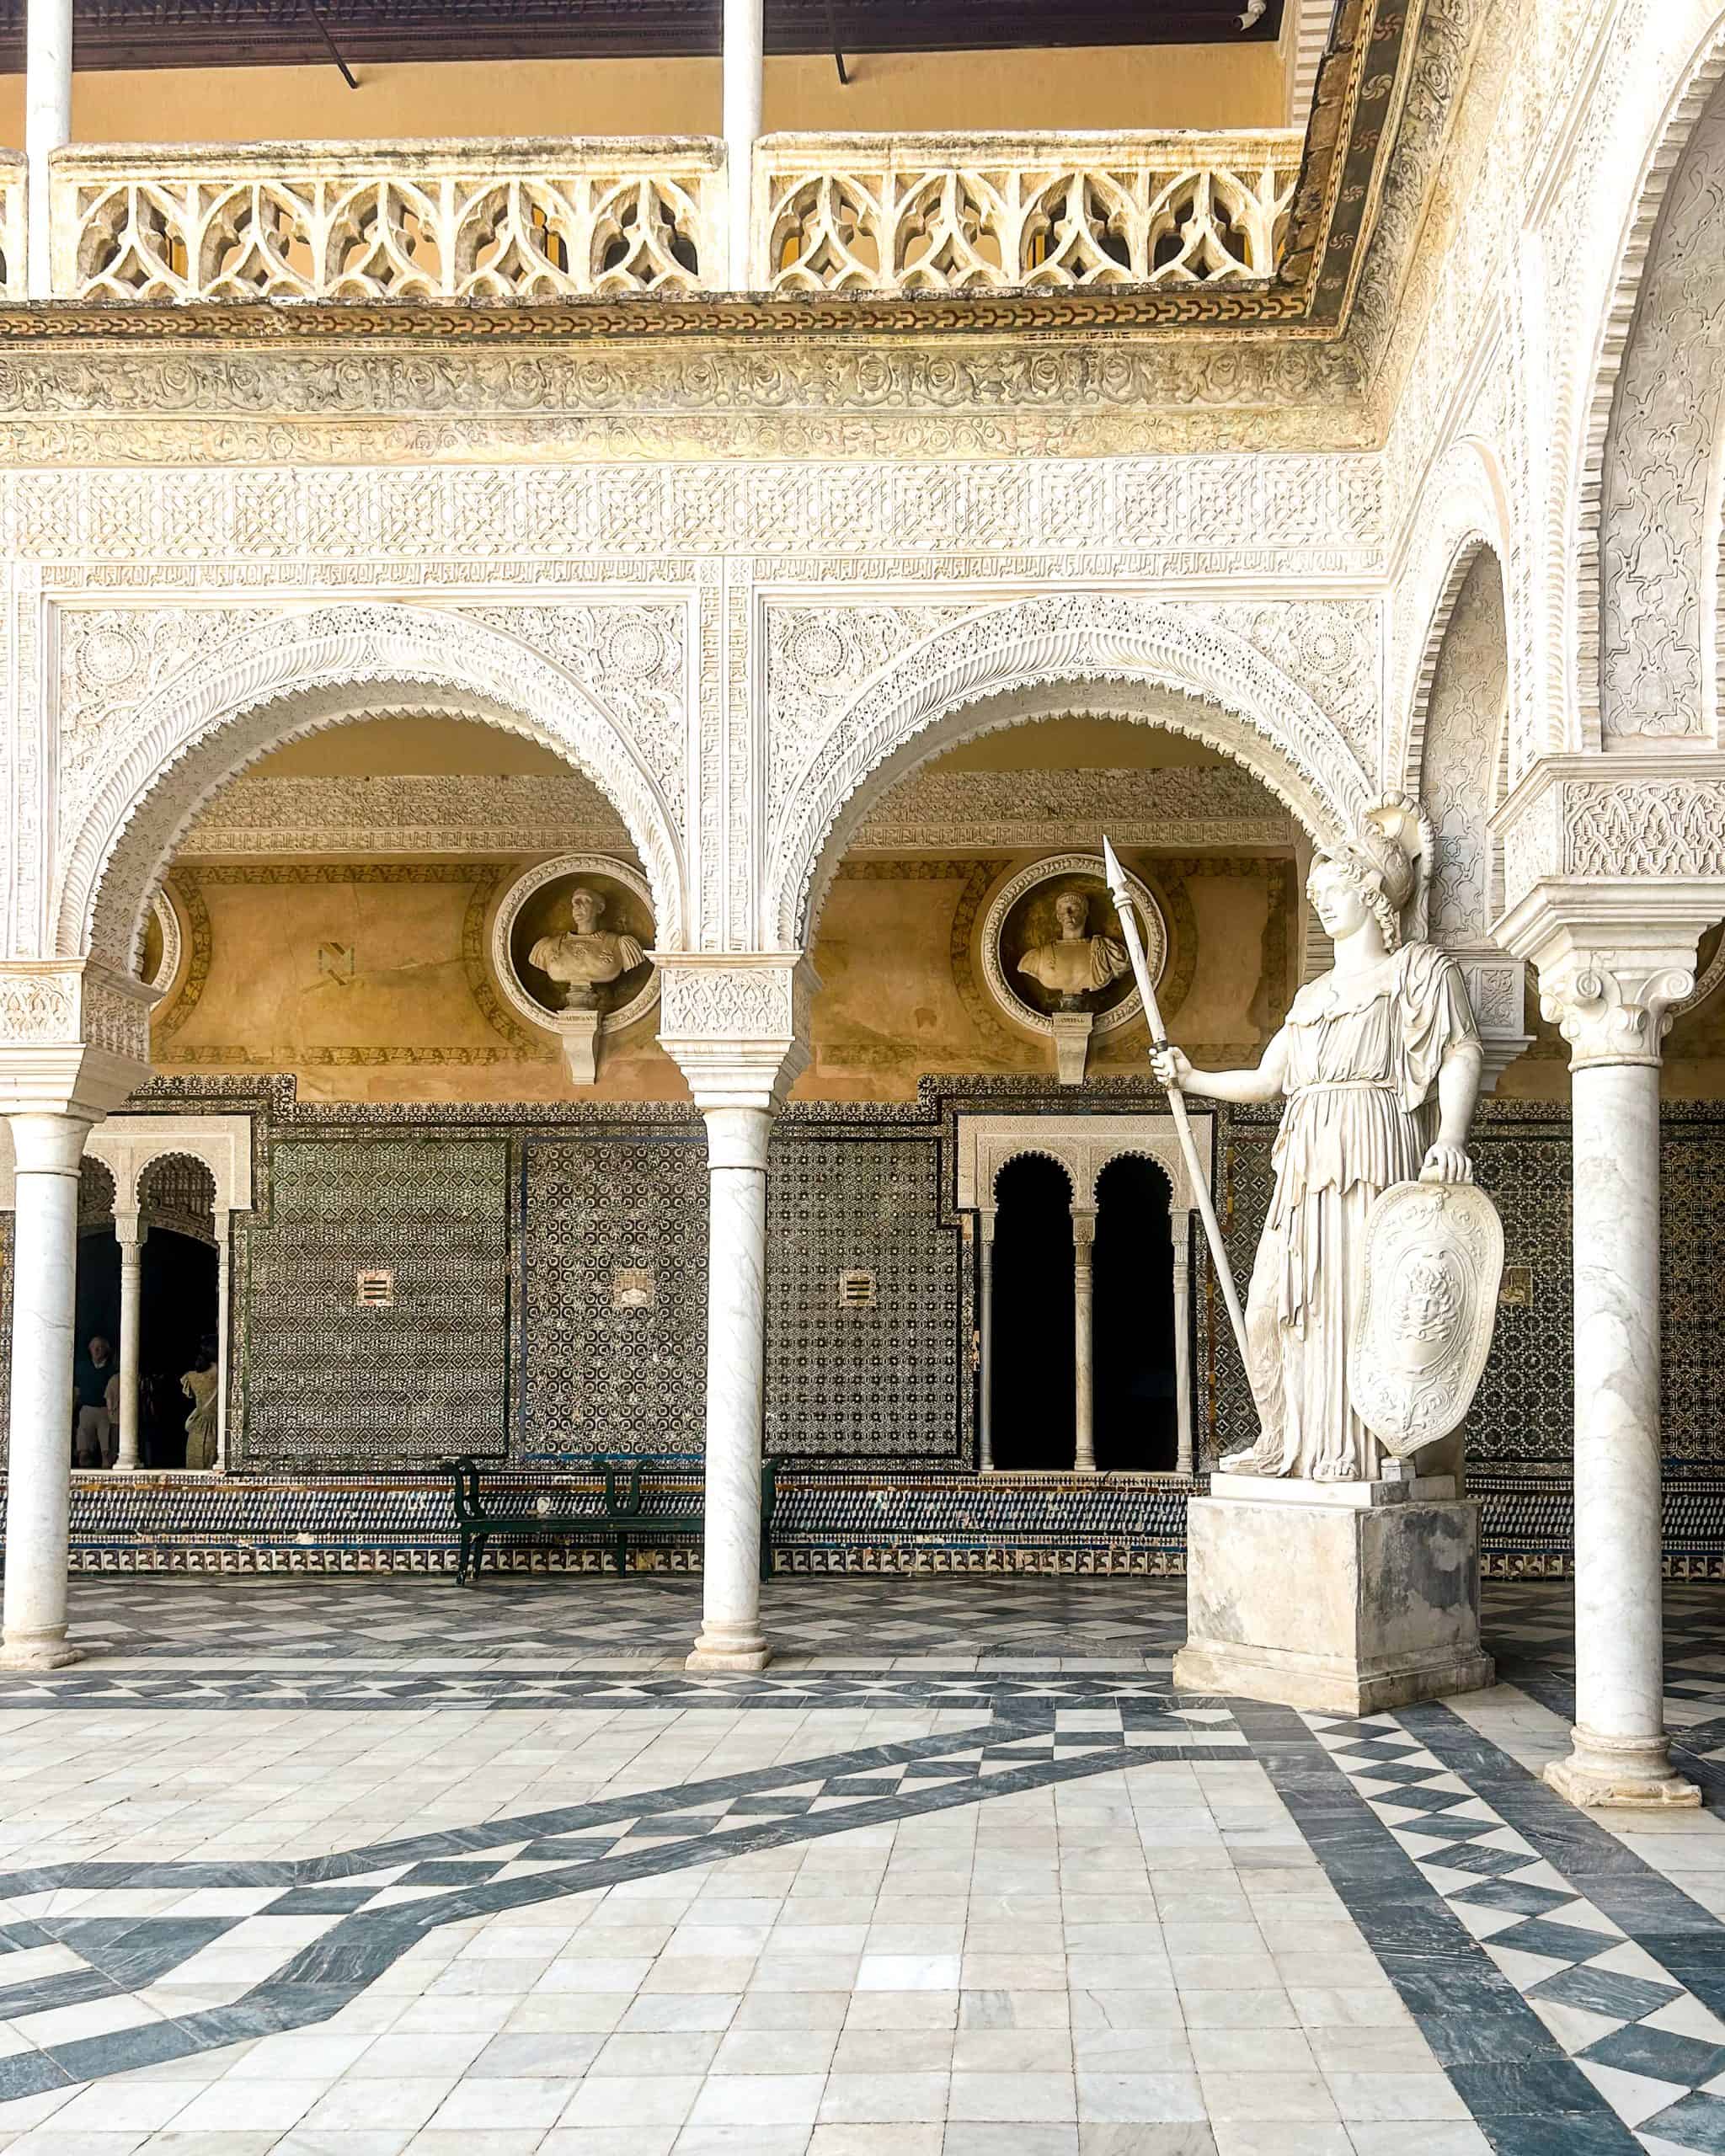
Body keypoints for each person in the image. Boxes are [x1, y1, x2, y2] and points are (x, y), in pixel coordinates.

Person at [1150, 799, 1483, 1482]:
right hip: (1306, 1164)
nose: (1324, 905)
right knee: (1280, 1305)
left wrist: (1450, 1137)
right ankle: (1293, 1440)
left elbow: (1459, 1052)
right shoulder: (1312, 998)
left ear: (1370, 894)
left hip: (1372, 1144)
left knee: (1360, 1299)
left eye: (1335, 892)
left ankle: (1365, 1451)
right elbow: (1273, 1079)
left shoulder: (1419, 972)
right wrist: (1194, 1076)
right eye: (1317, 896)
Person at [72, 1334, 116, 1470]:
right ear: (89, 1349)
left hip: (105, 1411)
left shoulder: (112, 1370)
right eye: (94, 1347)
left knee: (106, 1448)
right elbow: (76, 1390)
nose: (97, 1350)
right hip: (86, 1409)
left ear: (106, 1350)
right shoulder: (82, 1369)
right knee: (83, 1447)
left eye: (100, 1347)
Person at [180, 1347, 219, 1471]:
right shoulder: (222, 1373)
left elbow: (190, 1394)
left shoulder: (191, 1377)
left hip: (197, 1427)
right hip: (218, 1427)